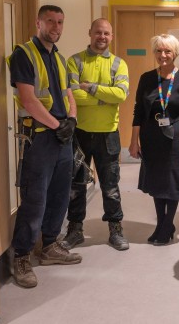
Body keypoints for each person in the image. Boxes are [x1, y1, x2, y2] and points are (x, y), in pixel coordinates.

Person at [8, 5, 82, 288]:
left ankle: (49, 245)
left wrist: (72, 120)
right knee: (35, 199)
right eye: (50, 21)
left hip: (62, 136)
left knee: (60, 195)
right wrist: (56, 125)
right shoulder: (23, 54)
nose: (56, 26)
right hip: (39, 137)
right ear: (38, 22)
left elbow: (68, 94)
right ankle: (23, 256)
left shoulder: (60, 59)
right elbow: (28, 100)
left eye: (60, 22)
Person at [61, 18, 130, 251]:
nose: (102, 37)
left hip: (108, 134)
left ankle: (115, 229)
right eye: (98, 32)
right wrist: (104, 99)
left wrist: (90, 89)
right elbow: (71, 95)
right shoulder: (75, 61)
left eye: (106, 34)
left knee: (111, 185)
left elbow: (121, 95)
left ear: (111, 37)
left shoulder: (119, 64)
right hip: (79, 133)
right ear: (89, 33)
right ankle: (75, 229)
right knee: (76, 184)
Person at [129, 34, 179, 245]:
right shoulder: (147, 78)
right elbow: (138, 111)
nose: (163, 55)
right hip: (151, 137)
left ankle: (167, 226)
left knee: (172, 181)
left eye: (167, 51)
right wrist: (133, 141)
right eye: (158, 50)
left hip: (174, 137)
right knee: (157, 182)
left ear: (175, 53)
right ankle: (161, 223)